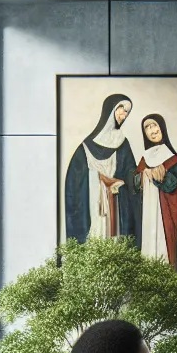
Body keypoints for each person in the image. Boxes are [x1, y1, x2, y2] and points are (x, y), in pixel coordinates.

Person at [63, 94, 140, 243]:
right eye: (121, 109)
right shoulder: (85, 147)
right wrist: (99, 179)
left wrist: (122, 182)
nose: (124, 115)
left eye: (127, 112)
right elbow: (74, 182)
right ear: (109, 110)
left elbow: (131, 173)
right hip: (92, 207)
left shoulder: (123, 144)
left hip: (115, 204)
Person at [135, 113, 177, 268]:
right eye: (147, 127)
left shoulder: (173, 159)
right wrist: (144, 174)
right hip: (148, 213)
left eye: (154, 125)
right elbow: (135, 184)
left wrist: (158, 175)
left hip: (165, 214)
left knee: (164, 252)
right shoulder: (145, 158)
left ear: (162, 128)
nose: (152, 130)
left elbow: (172, 186)